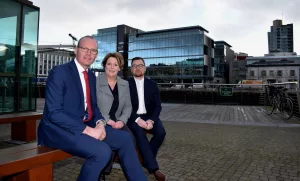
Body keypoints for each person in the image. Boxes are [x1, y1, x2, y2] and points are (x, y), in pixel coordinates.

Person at [37, 36, 147, 181]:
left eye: (93, 51)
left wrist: (100, 123)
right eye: (85, 49)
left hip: (83, 124)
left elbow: (93, 107)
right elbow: (54, 113)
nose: (89, 53)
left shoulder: (91, 76)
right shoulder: (60, 72)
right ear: (76, 50)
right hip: (57, 129)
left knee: (126, 138)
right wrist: (89, 131)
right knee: (102, 152)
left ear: (96, 55)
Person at [127, 57, 167, 181]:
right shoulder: (125, 84)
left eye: (140, 65)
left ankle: (146, 159)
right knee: (139, 133)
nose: (137, 68)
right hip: (132, 117)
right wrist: (137, 120)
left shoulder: (152, 84)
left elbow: (157, 106)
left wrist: (151, 121)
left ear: (144, 67)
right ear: (131, 69)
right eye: (134, 65)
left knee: (161, 133)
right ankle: (154, 168)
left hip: (149, 117)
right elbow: (124, 106)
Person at [96, 52, 135, 178]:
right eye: (109, 64)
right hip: (101, 121)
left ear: (119, 67)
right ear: (104, 65)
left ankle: (130, 171)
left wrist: (122, 121)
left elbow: (128, 106)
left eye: (115, 65)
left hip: (118, 122)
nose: (112, 67)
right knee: (108, 141)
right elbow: (92, 105)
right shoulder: (95, 82)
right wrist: (107, 120)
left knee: (130, 138)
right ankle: (103, 171)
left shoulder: (124, 84)